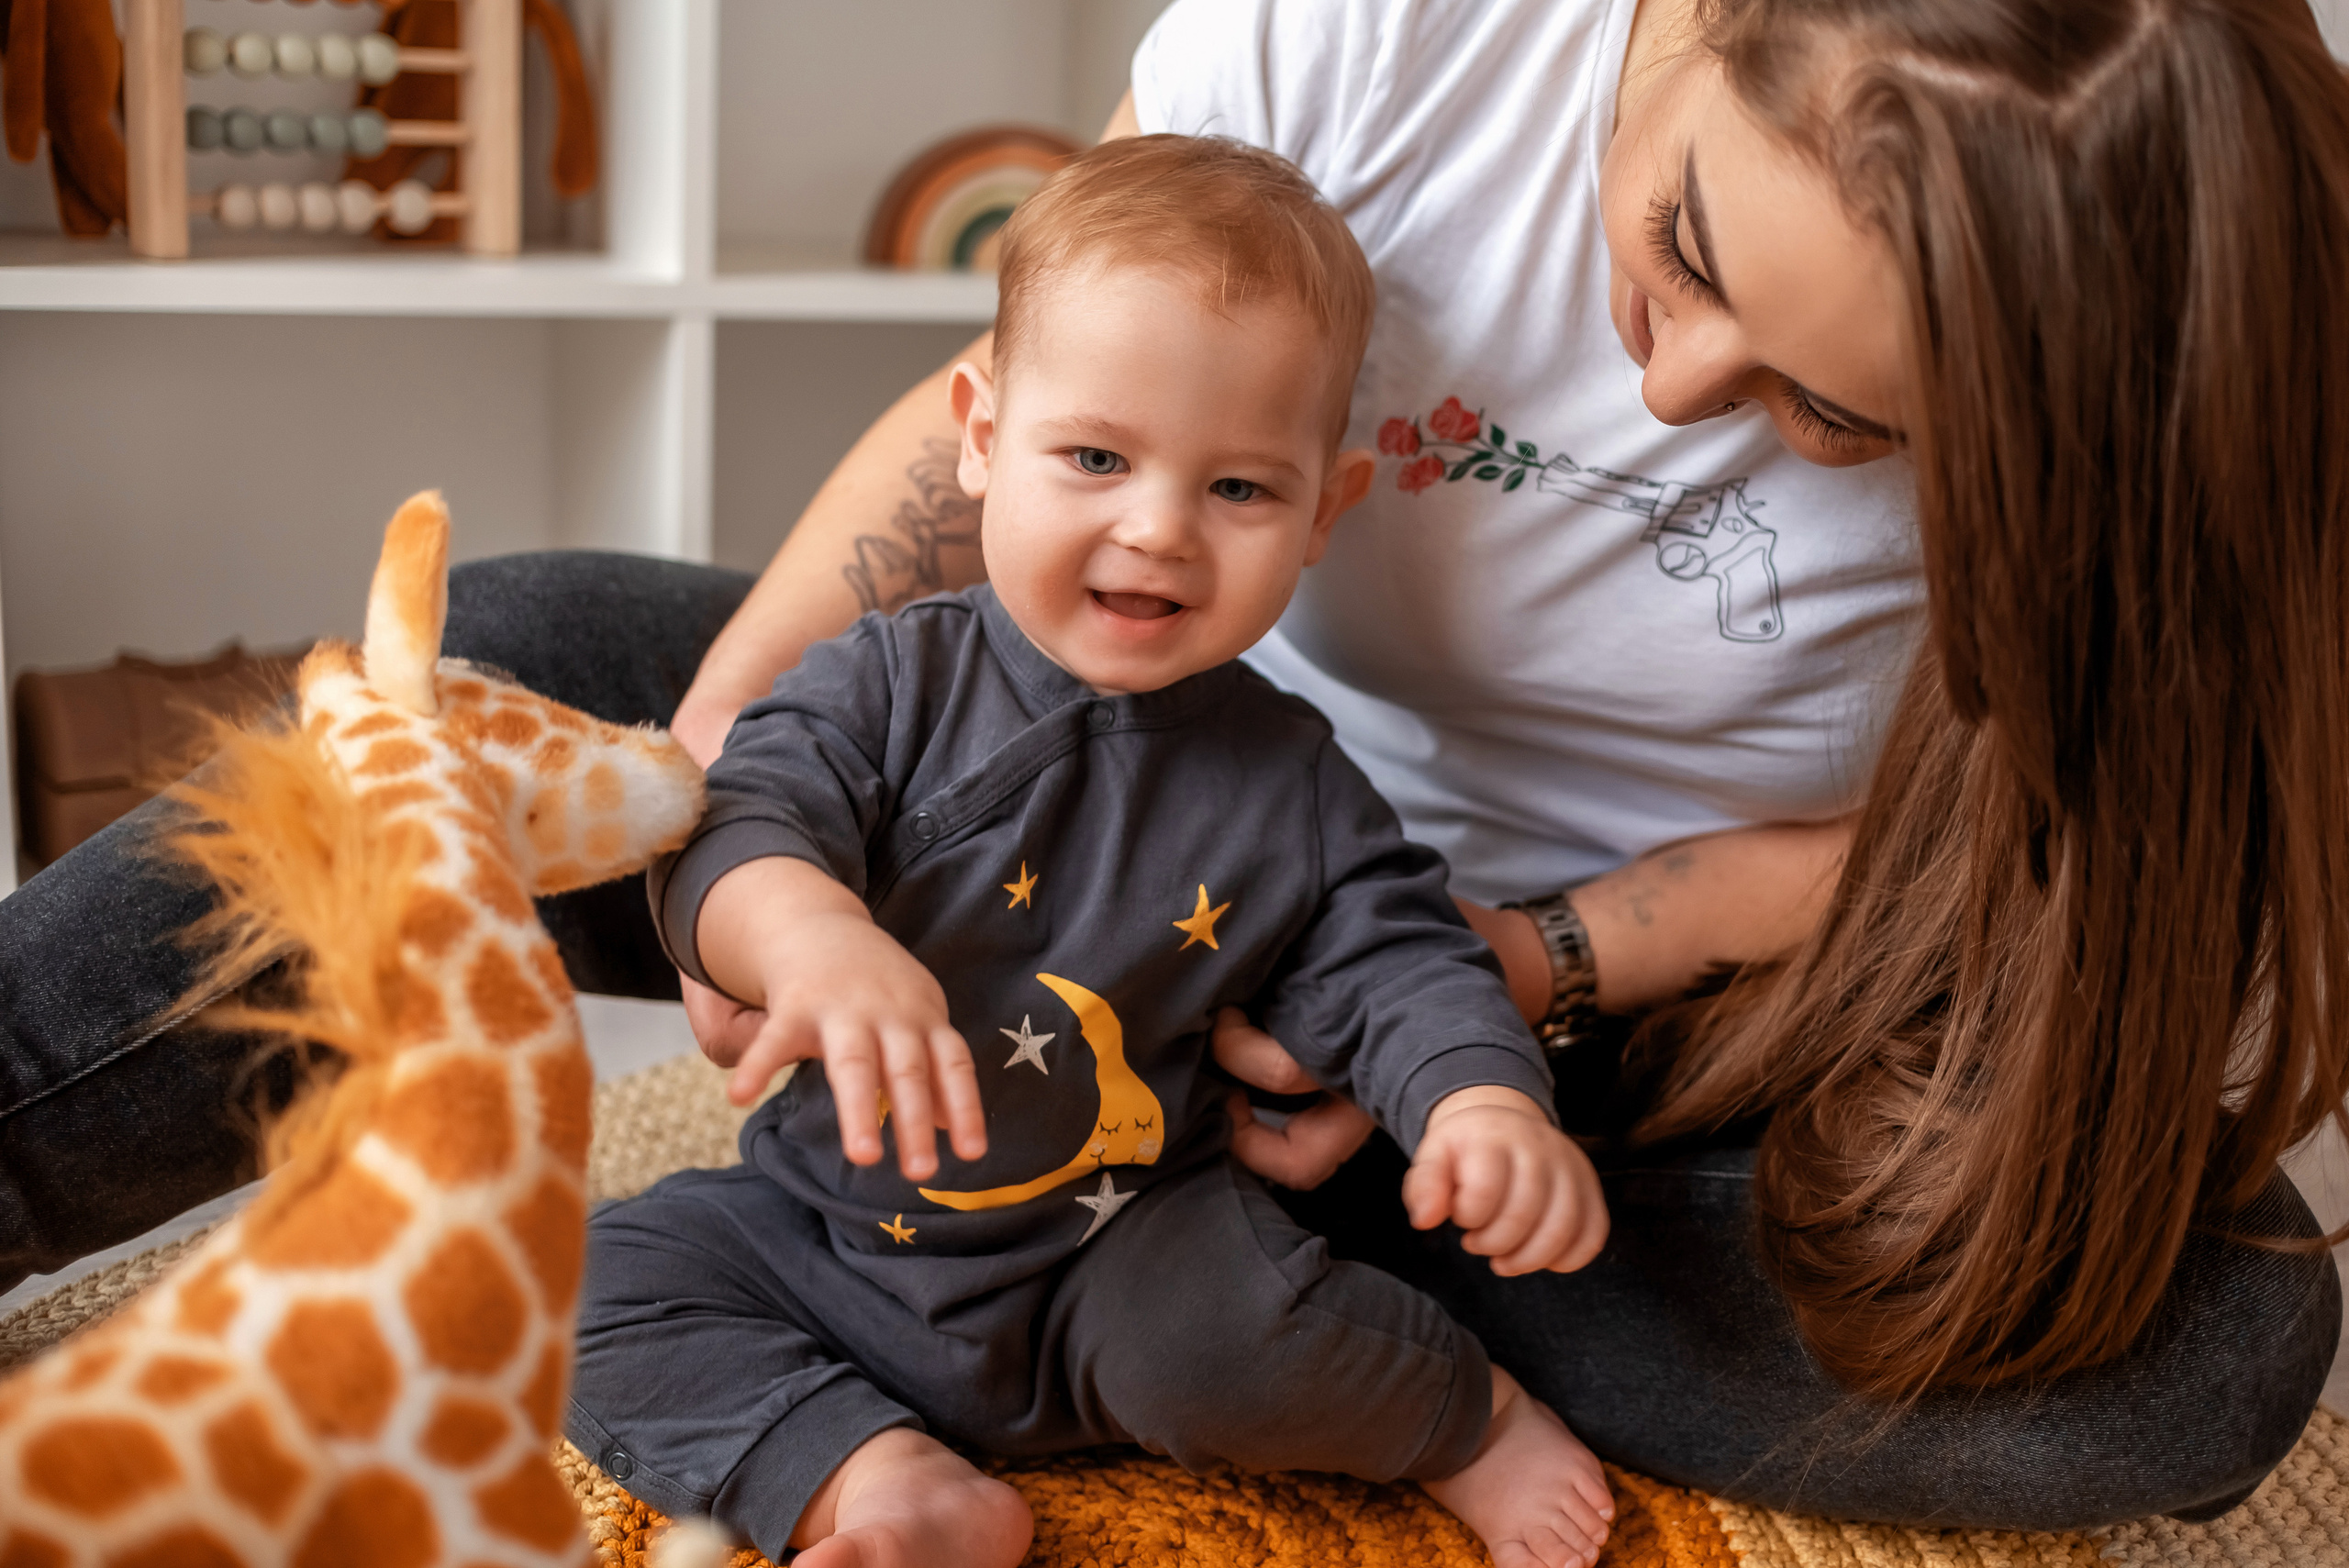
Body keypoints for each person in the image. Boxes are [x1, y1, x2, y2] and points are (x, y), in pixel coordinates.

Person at [0, 0, 2340, 1533]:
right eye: (1681, 248)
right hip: (995, 856)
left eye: (1839, 418)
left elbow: (2085, 880)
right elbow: (1020, 408)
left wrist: (1556, 988)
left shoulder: (2174, 394)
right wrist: (727, 811)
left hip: (1530, 1016)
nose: (1673, 389)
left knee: (2214, 1341)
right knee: (493, 661)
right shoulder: (1408, 31)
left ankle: (1341, 1288)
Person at [569, 135, 1621, 1568]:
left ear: (1325, 511)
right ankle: (882, 1483)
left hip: (1124, 1259)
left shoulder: (1292, 783)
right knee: (583, 1284)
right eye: (1096, 457)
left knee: (1243, 1340)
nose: (1157, 528)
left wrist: (1483, 1107)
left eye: (1240, 490)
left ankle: (1471, 1422)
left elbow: (1402, 960)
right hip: (824, 1230)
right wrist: (805, 934)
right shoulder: (881, 680)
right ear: (983, 436)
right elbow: (736, 823)